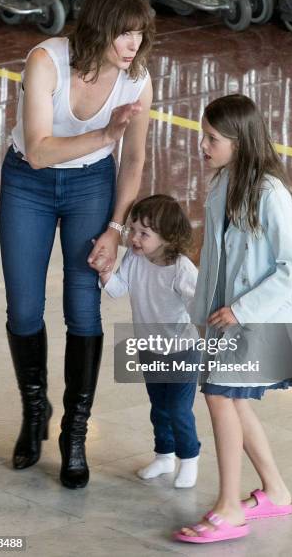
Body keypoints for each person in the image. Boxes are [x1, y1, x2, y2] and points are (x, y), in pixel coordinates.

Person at [0, 0, 155, 489]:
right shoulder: (46, 60)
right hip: (29, 180)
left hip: (91, 184)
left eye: (140, 35)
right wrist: (106, 134)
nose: (133, 44)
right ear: (99, 26)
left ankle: (74, 432)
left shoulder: (138, 81)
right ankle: (34, 408)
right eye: (124, 33)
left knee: (82, 309)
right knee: (23, 308)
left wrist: (114, 227)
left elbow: (133, 160)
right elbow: (40, 151)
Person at [174, 94, 292, 543]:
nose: (203, 144)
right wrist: (205, 318)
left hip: (256, 323)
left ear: (240, 142)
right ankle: (275, 490)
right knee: (230, 400)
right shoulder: (222, 183)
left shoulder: (270, 193)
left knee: (220, 397)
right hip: (227, 323)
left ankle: (230, 507)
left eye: (212, 138)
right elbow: (214, 263)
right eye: (204, 134)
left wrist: (240, 310)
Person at [98, 195, 201, 488]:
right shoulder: (134, 257)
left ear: (167, 237)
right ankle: (164, 455)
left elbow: (199, 305)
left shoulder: (181, 269)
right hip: (149, 348)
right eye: (133, 230)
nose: (134, 238)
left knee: (179, 410)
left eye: (144, 233)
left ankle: (189, 458)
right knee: (159, 408)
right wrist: (106, 272)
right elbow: (118, 290)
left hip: (183, 351)